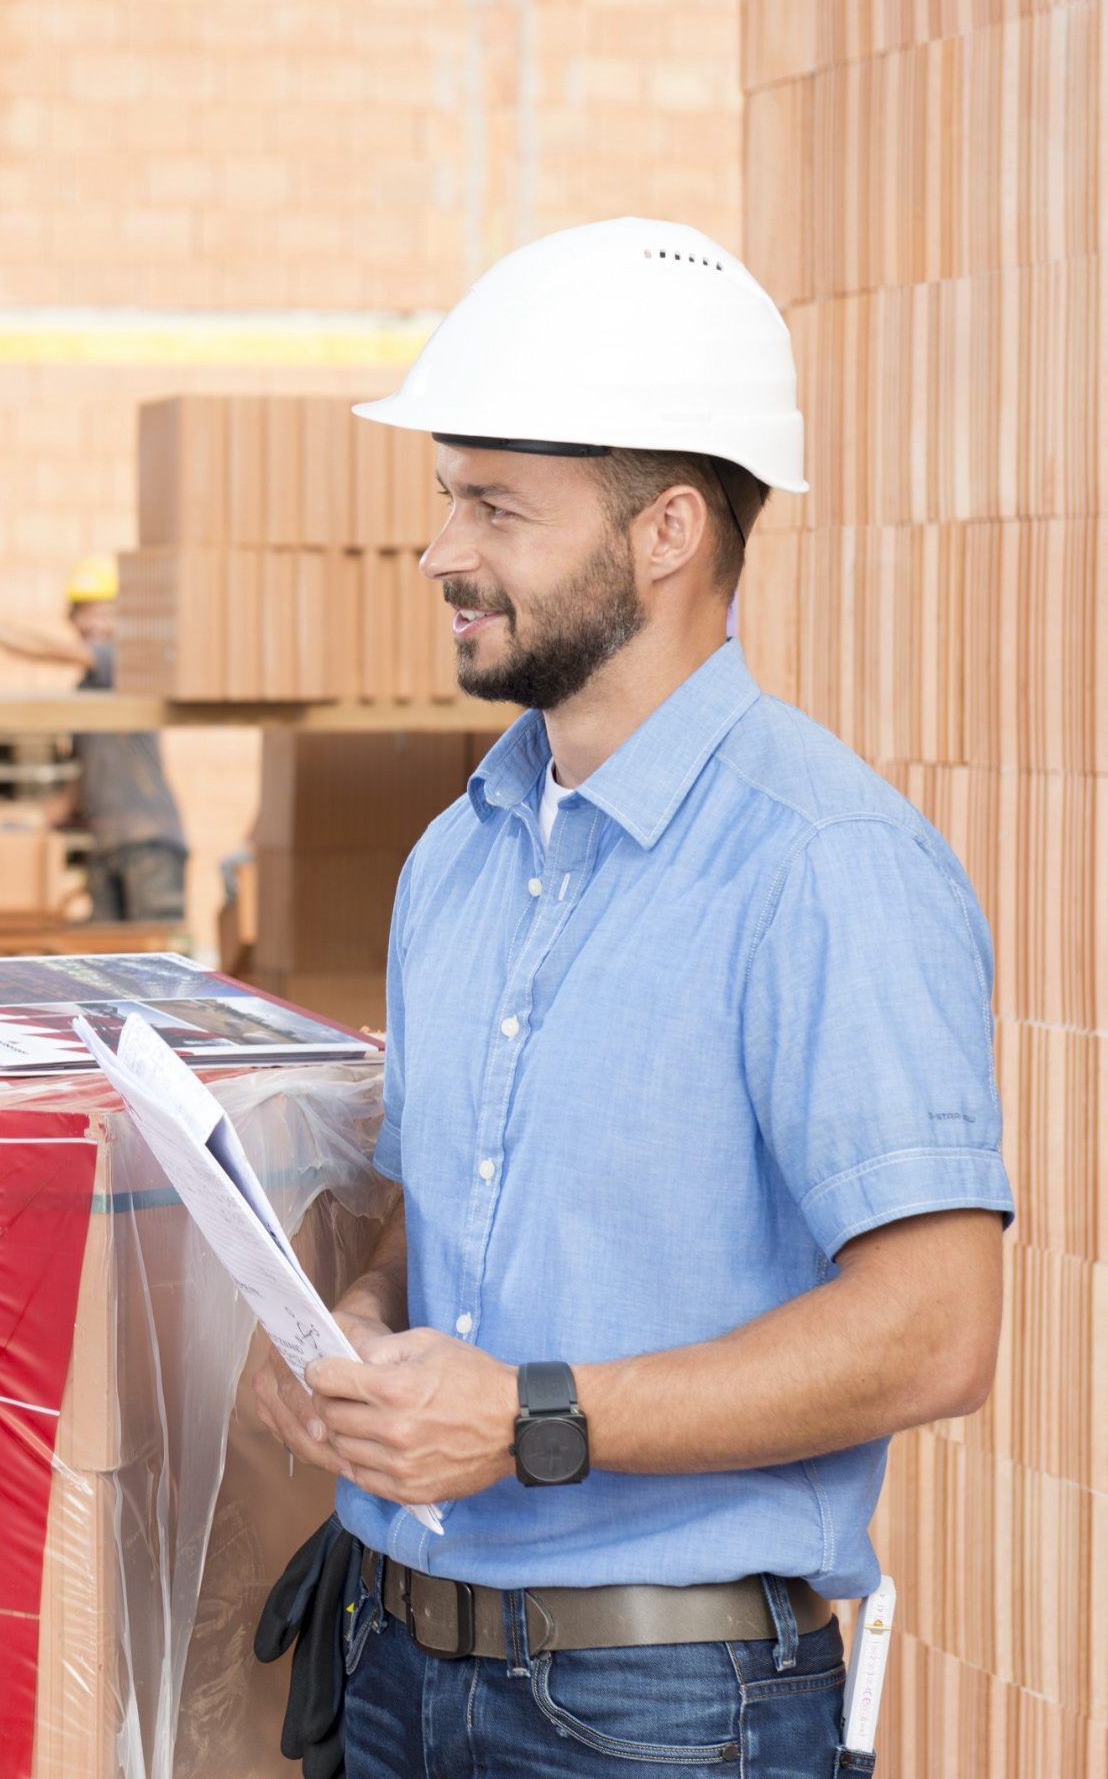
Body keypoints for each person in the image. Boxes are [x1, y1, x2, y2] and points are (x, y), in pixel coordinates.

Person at [242, 218, 1010, 1777]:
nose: (441, 552)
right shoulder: (457, 856)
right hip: (392, 1657)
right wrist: (362, 1332)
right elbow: (446, 1210)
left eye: (497, 507)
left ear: (666, 533)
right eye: (447, 497)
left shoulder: (825, 865)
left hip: (660, 1715)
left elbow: (936, 1332)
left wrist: (533, 1417)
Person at [63, 555, 191, 925]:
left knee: (158, 973)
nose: (94, 623)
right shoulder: (84, 690)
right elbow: (83, 777)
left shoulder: (127, 663)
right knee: (106, 971)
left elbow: (57, 651)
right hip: (105, 848)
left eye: (105, 612)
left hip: (149, 845)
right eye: (85, 612)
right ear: (70, 617)